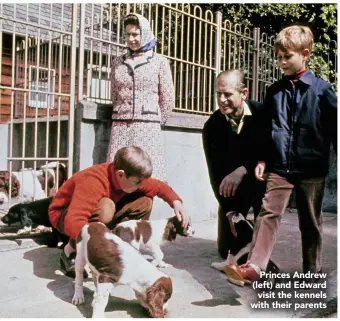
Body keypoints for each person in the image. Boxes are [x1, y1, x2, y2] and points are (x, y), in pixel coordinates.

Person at [225, 25, 337, 285]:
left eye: (287, 56)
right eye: (278, 57)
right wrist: (263, 159)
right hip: (279, 167)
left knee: (310, 222)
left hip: (312, 169)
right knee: (268, 213)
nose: (281, 62)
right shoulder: (274, 91)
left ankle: (312, 274)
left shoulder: (322, 90)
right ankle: (254, 267)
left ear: (305, 54)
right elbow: (267, 130)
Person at [49, 146, 189, 277]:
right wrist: (101, 247)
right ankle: (70, 252)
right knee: (106, 208)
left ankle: (122, 248)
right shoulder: (93, 180)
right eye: (137, 182)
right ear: (121, 174)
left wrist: (177, 203)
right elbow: (74, 221)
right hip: (65, 215)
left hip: (91, 215)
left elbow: (158, 186)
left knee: (144, 201)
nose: (141, 185)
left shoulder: (129, 175)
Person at [202, 69, 267, 259]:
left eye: (228, 94)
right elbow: (215, 175)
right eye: (218, 94)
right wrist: (230, 211)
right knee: (226, 251)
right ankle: (241, 225)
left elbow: (271, 152)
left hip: (260, 182)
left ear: (244, 94)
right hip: (234, 191)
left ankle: (261, 230)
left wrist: (243, 169)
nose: (222, 100)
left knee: (258, 249)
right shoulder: (211, 126)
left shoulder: (262, 115)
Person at [107, 13, 174, 181]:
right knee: (119, 174)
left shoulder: (159, 62)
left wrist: (154, 120)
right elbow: (114, 94)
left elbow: (167, 99)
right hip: (120, 126)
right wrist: (123, 111)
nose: (131, 39)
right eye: (127, 34)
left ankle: (143, 207)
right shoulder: (117, 62)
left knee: (145, 174)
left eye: (135, 34)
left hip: (148, 128)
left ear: (144, 33)